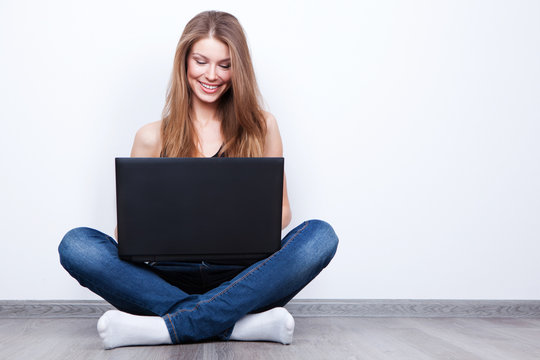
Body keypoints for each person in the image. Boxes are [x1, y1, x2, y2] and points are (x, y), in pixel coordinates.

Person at [58, 10, 338, 349]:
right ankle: (234, 324)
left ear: (239, 69)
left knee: (320, 237)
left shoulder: (262, 127)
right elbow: (124, 233)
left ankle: (166, 327)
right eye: (201, 61)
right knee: (76, 245)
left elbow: (283, 213)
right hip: (166, 276)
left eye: (224, 64)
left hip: (241, 274)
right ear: (184, 63)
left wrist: (234, 224)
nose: (211, 75)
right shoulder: (151, 136)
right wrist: (149, 230)